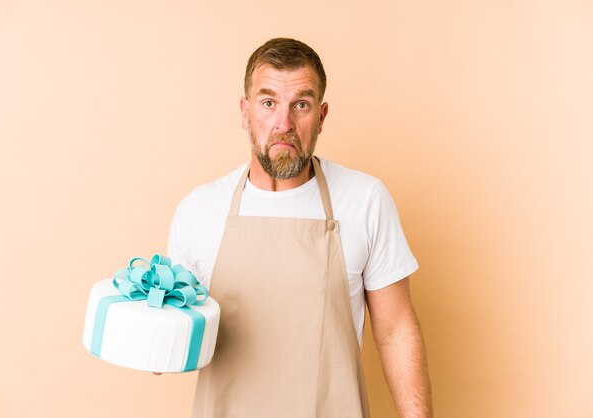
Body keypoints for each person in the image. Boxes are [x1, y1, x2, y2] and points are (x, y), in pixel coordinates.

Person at [166, 37, 432, 418]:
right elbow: (175, 338)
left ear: (322, 116)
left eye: (301, 105)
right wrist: (148, 327)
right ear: (245, 112)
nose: (283, 124)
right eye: (268, 102)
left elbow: (395, 332)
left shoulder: (365, 199)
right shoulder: (199, 209)